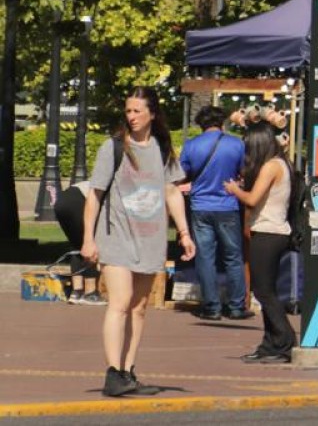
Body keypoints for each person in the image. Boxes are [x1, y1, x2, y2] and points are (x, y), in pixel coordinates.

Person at [82, 88, 197, 398]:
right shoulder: (114, 148)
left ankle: (128, 371)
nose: (131, 116)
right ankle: (113, 372)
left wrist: (184, 233)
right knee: (119, 303)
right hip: (116, 237)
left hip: (150, 239)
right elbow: (95, 195)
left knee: (140, 307)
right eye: (128, 111)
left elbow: (172, 192)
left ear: (152, 114)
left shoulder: (161, 149)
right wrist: (88, 239)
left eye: (137, 111)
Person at [224, 122, 296, 363]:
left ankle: (285, 341)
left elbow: (253, 200)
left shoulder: (271, 166)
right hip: (273, 231)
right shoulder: (282, 163)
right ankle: (271, 343)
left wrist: (235, 190)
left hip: (268, 231)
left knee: (263, 291)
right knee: (266, 290)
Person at [178, 104, 248, 321]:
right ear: (222, 122)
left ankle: (211, 306)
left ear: (201, 124)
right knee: (233, 256)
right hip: (228, 205)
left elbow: (182, 174)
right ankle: (236, 306)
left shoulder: (191, 146)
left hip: (200, 206)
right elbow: (243, 173)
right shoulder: (236, 144)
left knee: (205, 257)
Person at [53, 178, 106, 304]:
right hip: (78, 201)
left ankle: (76, 292)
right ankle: (91, 293)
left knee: (77, 245)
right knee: (92, 243)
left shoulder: (98, 180)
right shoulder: (113, 187)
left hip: (61, 202)